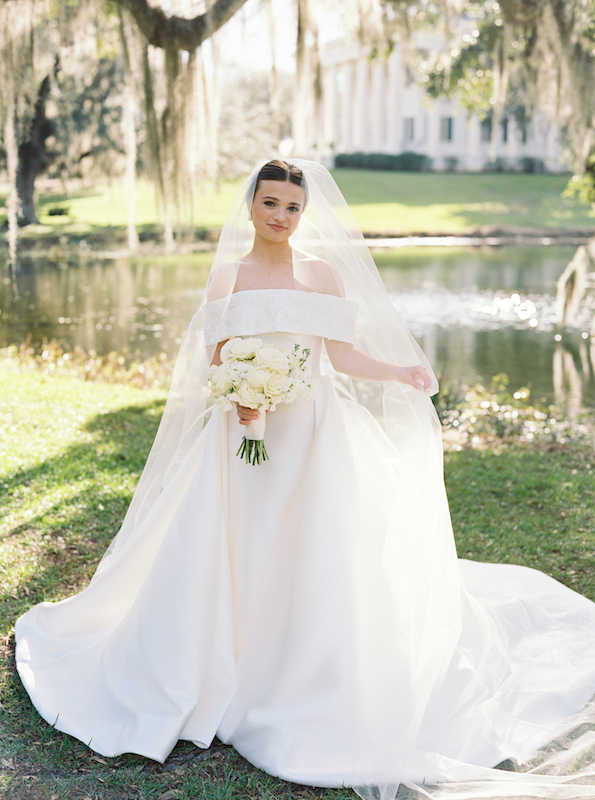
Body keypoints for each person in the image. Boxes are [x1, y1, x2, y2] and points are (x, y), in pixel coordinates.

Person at [15, 159, 595, 800]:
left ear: (303, 212)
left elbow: (340, 356)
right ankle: (215, 663)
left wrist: (399, 372)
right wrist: (238, 396)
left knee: (316, 551)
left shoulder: (321, 273)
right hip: (242, 438)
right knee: (235, 545)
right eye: (270, 203)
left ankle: (299, 669)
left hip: (315, 434)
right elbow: (213, 361)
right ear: (251, 204)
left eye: (292, 207)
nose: (280, 217)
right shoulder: (228, 278)